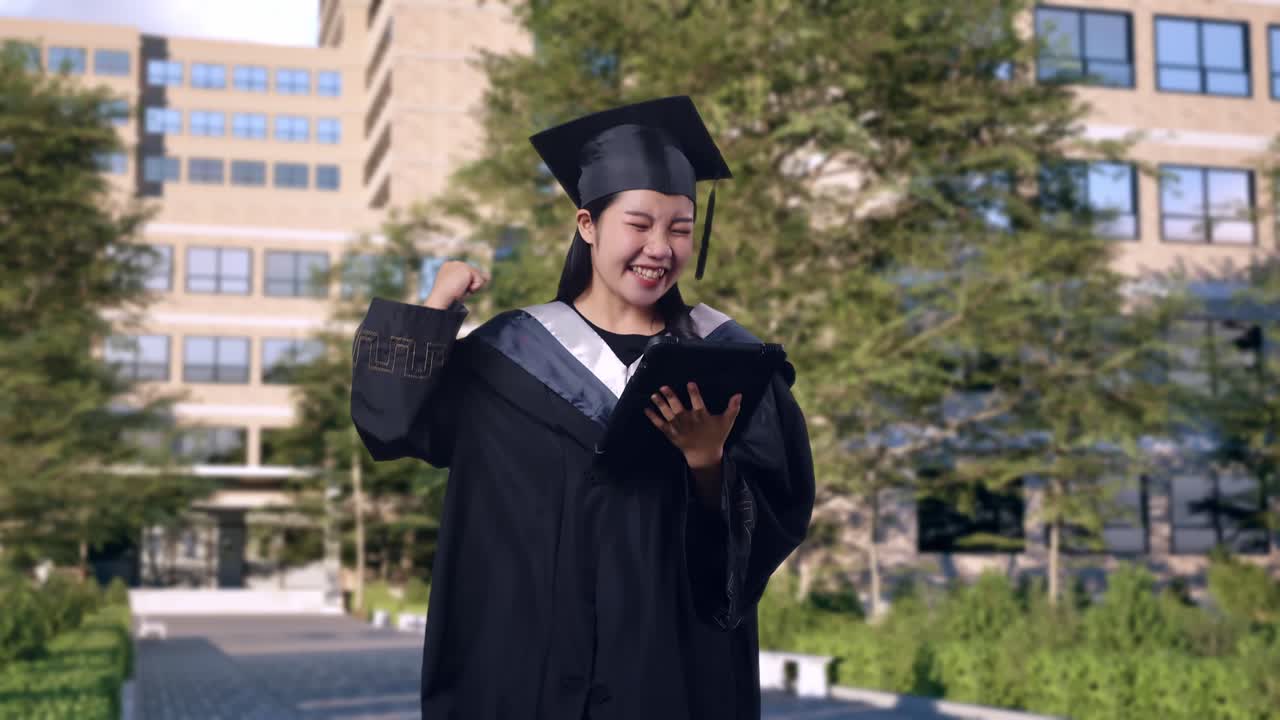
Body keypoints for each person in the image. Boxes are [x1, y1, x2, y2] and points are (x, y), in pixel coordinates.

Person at [351, 96, 815, 720]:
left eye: (680, 228)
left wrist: (707, 464)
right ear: (587, 225)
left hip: (670, 675)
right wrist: (436, 307)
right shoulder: (506, 358)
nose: (660, 247)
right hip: (524, 674)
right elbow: (392, 426)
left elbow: (773, 516)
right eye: (639, 223)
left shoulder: (728, 360)